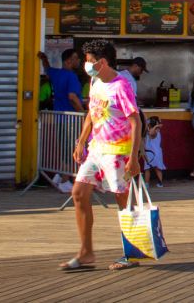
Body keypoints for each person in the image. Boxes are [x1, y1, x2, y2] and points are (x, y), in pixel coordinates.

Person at [60, 39, 142, 272]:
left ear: (102, 62)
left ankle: (132, 252)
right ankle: (86, 253)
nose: (87, 66)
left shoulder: (121, 86)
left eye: (89, 61)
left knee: (123, 202)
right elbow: (91, 113)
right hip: (96, 150)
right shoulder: (96, 82)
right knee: (78, 193)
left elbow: (134, 121)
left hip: (117, 152)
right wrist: (81, 141)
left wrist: (134, 157)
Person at [43, 48, 85, 112]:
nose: (79, 60)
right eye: (76, 58)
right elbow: (72, 97)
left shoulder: (55, 73)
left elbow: (47, 68)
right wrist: (82, 113)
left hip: (58, 116)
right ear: (68, 61)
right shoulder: (72, 76)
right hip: (71, 118)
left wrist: (44, 58)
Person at [143, 117, 166, 187]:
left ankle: (159, 183)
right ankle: (148, 183)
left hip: (152, 153)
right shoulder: (152, 131)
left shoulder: (155, 131)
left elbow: (151, 133)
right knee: (148, 168)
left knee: (155, 168)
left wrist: (156, 126)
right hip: (151, 152)